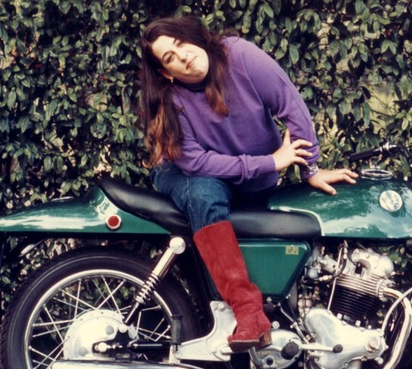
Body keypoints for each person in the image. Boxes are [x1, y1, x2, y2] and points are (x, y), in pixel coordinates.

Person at [138, 16, 358, 352]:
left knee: (259, 255)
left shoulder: (239, 56)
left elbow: (290, 104)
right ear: (166, 73)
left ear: (193, 38)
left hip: (251, 178)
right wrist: (270, 162)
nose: (181, 56)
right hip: (189, 175)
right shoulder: (172, 102)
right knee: (204, 191)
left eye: (181, 43)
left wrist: (309, 168)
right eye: (169, 57)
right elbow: (197, 163)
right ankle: (248, 312)